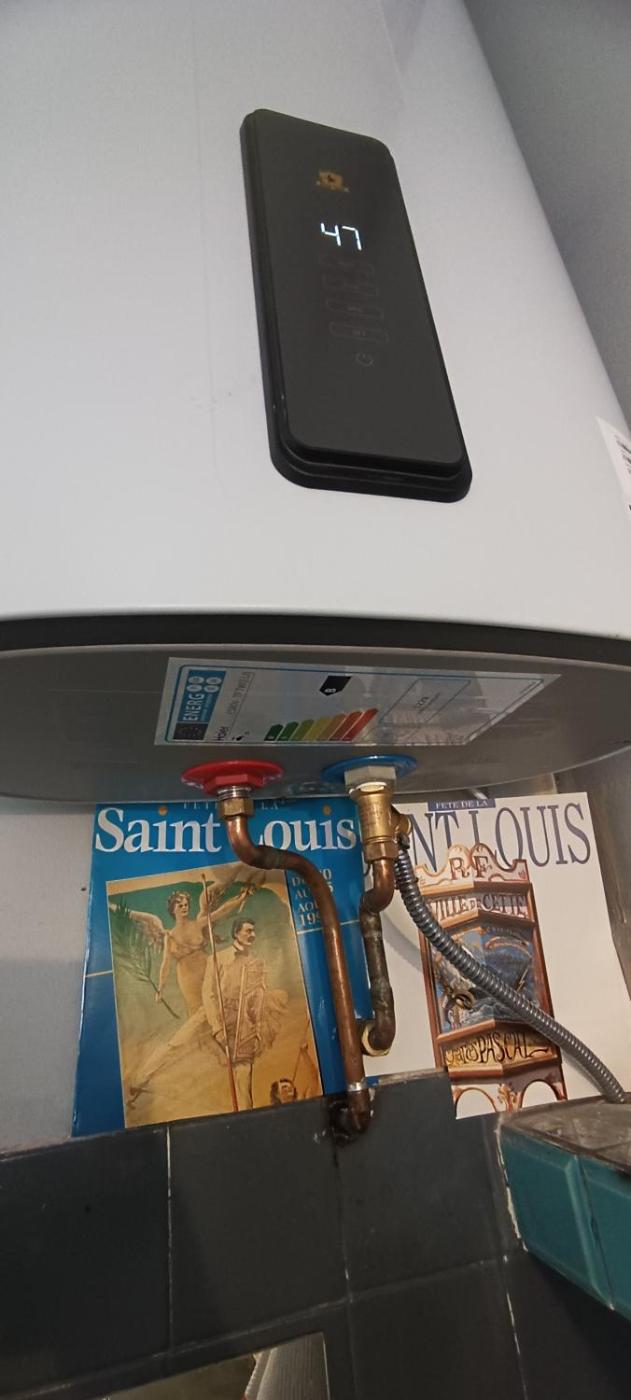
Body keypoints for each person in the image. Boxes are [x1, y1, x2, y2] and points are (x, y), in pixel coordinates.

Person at [202, 918, 287, 1110]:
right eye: (248, 931)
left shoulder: (256, 963)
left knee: (243, 1073)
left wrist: (256, 1028)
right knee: (178, 1045)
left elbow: (258, 999)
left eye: (253, 931)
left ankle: (246, 1114)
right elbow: (208, 993)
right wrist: (216, 1027)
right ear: (236, 933)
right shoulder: (217, 958)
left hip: (242, 1023)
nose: (253, 935)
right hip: (216, 1016)